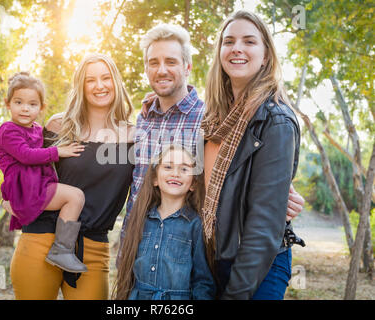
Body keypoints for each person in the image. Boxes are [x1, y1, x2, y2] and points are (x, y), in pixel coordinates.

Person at [120, 23, 305, 257]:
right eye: (153, 63)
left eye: (171, 62)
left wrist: (284, 195)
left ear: (187, 67)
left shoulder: (211, 120)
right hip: (133, 247)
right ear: (146, 68)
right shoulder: (144, 118)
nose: (161, 70)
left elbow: (247, 173)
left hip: (183, 256)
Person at [8, 54, 135, 299]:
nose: (100, 86)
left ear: (116, 82)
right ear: (81, 86)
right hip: (41, 239)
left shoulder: (134, 135)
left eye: (106, 78)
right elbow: (21, 160)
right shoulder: (59, 126)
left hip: (93, 247)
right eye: (91, 80)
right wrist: (9, 193)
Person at [201, 10, 303, 300]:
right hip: (212, 259)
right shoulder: (211, 120)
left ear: (266, 55)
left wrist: (236, 293)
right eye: (229, 41)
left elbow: (264, 222)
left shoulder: (276, 121)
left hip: (259, 266)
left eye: (249, 41)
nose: (237, 48)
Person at [0, 72, 87, 273]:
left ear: (41, 107)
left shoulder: (37, 129)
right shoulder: (8, 130)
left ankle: (18, 208)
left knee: (73, 197)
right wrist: (59, 151)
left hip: (36, 184)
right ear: (8, 104)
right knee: (75, 197)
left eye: (32, 104)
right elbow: (26, 155)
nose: (25, 108)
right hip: (25, 187)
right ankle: (62, 250)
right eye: (18, 102)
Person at [114, 145, 216, 300]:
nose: (175, 174)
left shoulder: (195, 224)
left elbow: (203, 281)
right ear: (155, 179)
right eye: (168, 167)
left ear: (194, 183)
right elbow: (129, 274)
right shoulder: (141, 219)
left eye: (184, 169)